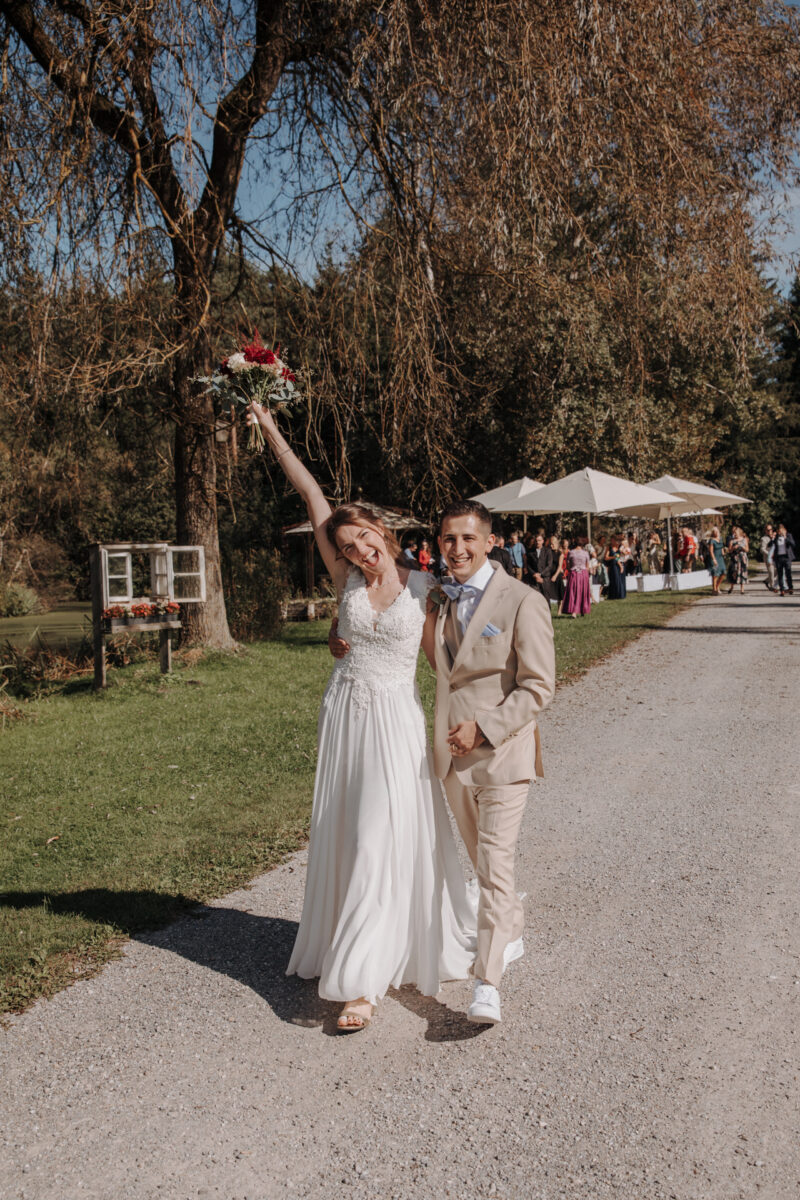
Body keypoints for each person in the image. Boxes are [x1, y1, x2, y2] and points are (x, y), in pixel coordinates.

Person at [247, 400, 475, 1032]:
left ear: (381, 530)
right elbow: (311, 491)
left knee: (379, 835)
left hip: (395, 723)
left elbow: (442, 667)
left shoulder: (426, 588)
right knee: (350, 835)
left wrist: (481, 721)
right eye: (346, 546)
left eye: (364, 540)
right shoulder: (344, 578)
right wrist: (269, 427)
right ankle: (354, 948)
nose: (358, 551)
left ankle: (362, 985)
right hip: (345, 713)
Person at [432, 501, 555, 1023]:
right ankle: (512, 924)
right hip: (453, 760)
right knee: (482, 862)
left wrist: (484, 727)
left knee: (492, 865)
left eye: (466, 539)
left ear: (488, 542)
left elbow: (538, 686)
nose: (456, 549)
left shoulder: (522, 600)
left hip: (503, 755)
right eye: (447, 540)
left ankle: (487, 983)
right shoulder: (439, 601)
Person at [561, 542, 591, 616]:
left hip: (574, 573)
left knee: (573, 592)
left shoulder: (571, 552)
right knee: (583, 592)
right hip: (583, 574)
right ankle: (582, 610)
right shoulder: (585, 553)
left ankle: (574, 611)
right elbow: (587, 566)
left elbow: (568, 565)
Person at [527, 532, 555, 602]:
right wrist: (534, 574)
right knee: (534, 599)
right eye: (536, 541)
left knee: (546, 599)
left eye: (539, 540)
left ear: (542, 541)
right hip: (534, 579)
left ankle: (547, 613)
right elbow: (528, 565)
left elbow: (549, 565)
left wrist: (541, 574)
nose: (537, 542)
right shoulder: (530, 552)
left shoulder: (548, 551)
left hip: (545, 579)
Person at [769, 524, 796, 595]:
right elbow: (770, 544)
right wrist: (772, 538)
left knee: (788, 573)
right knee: (780, 574)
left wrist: (785, 538)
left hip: (787, 557)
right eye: (779, 531)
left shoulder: (788, 535)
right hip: (779, 558)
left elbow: (793, 544)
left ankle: (790, 588)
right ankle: (782, 590)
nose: (780, 532)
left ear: (784, 530)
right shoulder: (776, 537)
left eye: (781, 531)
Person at [726, 526, 749, 594]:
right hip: (735, 557)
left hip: (742, 557)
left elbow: (747, 550)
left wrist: (741, 547)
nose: (735, 534)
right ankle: (732, 586)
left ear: (739, 533)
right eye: (734, 533)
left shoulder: (744, 540)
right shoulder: (732, 541)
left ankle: (742, 589)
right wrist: (733, 548)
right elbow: (729, 551)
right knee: (733, 571)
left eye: (736, 533)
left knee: (742, 571)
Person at [705, 525, 726, 594]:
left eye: (717, 531)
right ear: (713, 533)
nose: (716, 533)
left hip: (721, 558)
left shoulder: (721, 539)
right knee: (715, 574)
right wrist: (714, 559)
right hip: (714, 557)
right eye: (714, 532)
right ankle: (714, 589)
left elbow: (722, 547)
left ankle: (717, 586)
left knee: (723, 573)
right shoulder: (712, 540)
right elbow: (711, 551)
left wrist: (723, 552)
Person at [552, 538, 570, 610]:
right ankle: (560, 606)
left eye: (567, 544)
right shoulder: (560, 552)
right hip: (561, 570)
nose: (566, 546)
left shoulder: (569, 552)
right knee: (560, 590)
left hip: (567, 570)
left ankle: (564, 606)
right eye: (564, 544)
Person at [760, 524, 777, 592]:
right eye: (768, 530)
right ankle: (772, 586)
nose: (770, 531)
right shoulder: (763, 539)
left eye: (771, 529)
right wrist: (770, 554)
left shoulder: (775, 537)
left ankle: (767, 581)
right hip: (768, 557)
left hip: (776, 557)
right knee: (771, 571)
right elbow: (762, 549)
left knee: (777, 571)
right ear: (765, 531)